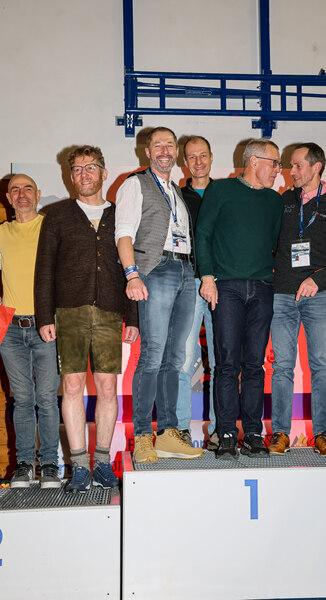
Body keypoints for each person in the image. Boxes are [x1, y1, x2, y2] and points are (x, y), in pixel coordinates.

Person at [35, 145, 138, 493]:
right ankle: (79, 466)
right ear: (70, 176)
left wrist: (133, 317)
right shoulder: (57, 216)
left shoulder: (120, 216)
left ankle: (103, 463)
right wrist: (44, 316)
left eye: (90, 167)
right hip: (69, 312)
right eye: (77, 169)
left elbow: (130, 268)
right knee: (72, 387)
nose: (84, 174)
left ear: (104, 173)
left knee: (108, 388)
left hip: (110, 310)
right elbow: (44, 270)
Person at [115, 126, 203, 463]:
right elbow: (123, 233)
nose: (164, 151)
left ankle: (167, 434)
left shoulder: (177, 191)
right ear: (147, 152)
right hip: (156, 269)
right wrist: (132, 274)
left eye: (169, 145)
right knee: (152, 355)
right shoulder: (135, 184)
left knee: (174, 358)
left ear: (175, 151)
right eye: (158, 145)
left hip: (185, 272)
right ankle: (142, 436)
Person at [269, 142, 326, 456]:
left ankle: (322, 434)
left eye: (297, 165)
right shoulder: (284, 202)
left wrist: (318, 279)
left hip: (319, 296)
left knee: (321, 366)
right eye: (291, 165)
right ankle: (280, 433)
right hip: (282, 295)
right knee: (282, 367)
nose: (291, 171)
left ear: (316, 166)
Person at [196, 138, 283, 459]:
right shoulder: (220, 190)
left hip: (262, 288)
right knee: (227, 364)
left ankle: (254, 433)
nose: (278, 169)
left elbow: (275, 243)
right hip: (227, 288)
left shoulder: (274, 201)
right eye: (275, 163)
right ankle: (227, 433)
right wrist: (207, 277)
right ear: (254, 161)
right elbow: (203, 233)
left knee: (255, 365)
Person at [0, 174, 60, 488]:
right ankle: (24, 465)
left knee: (47, 399)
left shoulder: (51, 228)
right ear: (8, 198)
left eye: (27, 189)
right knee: (22, 400)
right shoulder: (1, 233)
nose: (21, 194)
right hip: (10, 329)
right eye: (15, 190)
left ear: (38, 194)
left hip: (45, 324)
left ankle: (49, 465)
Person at [176, 135, 217, 449]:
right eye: (192, 157)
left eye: (203, 155)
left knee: (222, 361)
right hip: (189, 283)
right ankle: (180, 430)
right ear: (184, 162)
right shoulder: (176, 196)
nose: (198, 162)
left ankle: (219, 430)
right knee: (184, 360)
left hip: (222, 285)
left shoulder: (226, 194)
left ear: (211, 157)